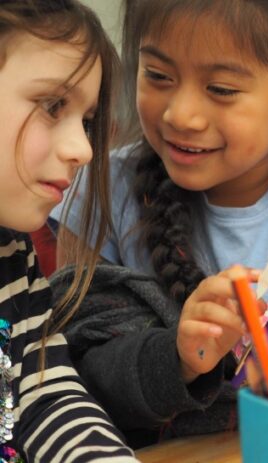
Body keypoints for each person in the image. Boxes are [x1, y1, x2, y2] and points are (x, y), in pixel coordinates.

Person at [51, 0, 268, 448]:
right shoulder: (101, 188)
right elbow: (73, 380)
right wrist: (178, 358)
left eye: (220, 89)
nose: (180, 115)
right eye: (158, 75)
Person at [0, 1, 139, 461]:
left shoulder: (12, 252)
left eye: (86, 121)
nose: (83, 148)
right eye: (52, 105)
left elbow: (42, 398)